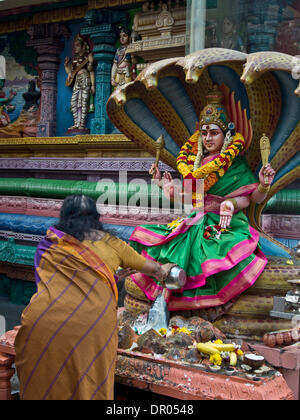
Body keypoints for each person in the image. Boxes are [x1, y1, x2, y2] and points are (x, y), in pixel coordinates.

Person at [129, 85, 276, 313]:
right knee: (165, 246)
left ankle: (207, 309)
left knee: (213, 256)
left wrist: (258, 187)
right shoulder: (196, 164)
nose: (208, 138)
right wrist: (162, 183)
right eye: (204, 132)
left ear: (226, 134)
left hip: (223, 223)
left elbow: (252, 198)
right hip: (194, 218)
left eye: (214, 132)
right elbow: (186, 197)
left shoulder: (235, 163)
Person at [14, 195, 174, 400]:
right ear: (97, 217)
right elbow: (153, 269)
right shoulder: (112, 243)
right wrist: (165, 269)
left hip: (43, 321)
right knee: (88, 379)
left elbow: (56, 287)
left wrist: (110, 277)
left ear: (64, 216)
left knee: (45, 379)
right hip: (90, 325)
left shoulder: (50, 244)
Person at [64, 34, 95, 130]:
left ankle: (82, 124)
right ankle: (76, 123)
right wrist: (67, 67)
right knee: (74, 101)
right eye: (75, 45)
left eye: (77, 45)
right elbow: (71, 73)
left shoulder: (87, 56)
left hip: (85, 79)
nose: (75, 48)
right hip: (77, 81)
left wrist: (93, 85)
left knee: (83, 101)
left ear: (83, 46)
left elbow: (91, 70)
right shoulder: (74, 58)